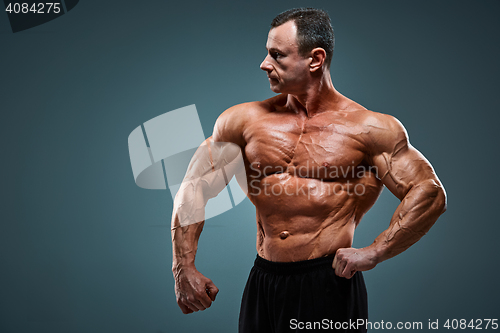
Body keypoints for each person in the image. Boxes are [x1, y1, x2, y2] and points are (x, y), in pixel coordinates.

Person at [170, 7, 447, 333]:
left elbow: (428, 192)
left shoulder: (370, 129)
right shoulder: (243, 121)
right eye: (266, 53)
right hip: (263, 280)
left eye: (277, 55)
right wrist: (182, 267)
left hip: (327, 282)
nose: (264, 64)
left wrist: (375, 252)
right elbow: (194, 187)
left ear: (315, 60)